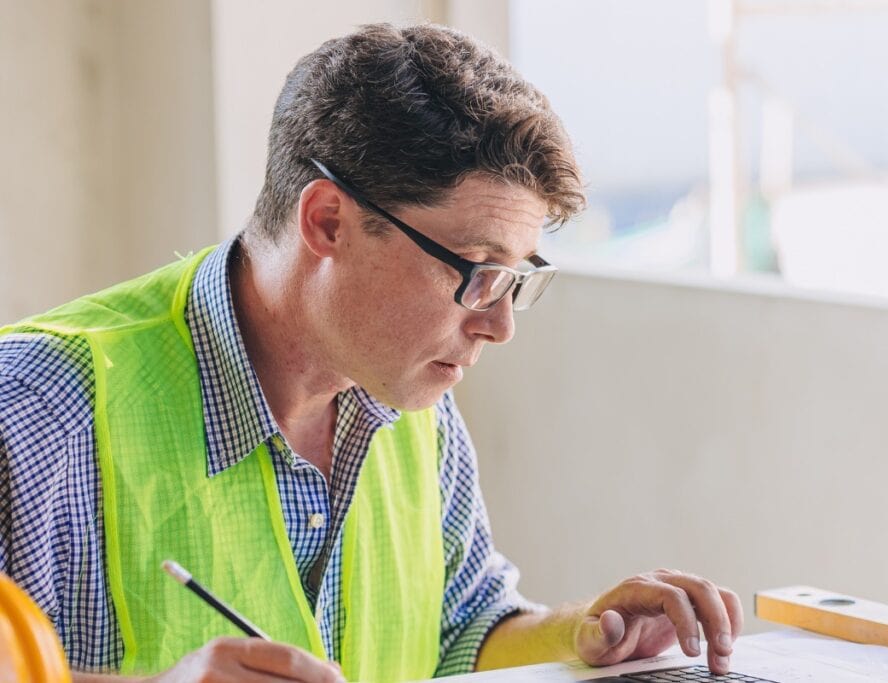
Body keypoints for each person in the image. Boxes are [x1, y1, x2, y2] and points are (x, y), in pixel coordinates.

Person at [0, 22, 742, 683]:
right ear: (328, 221)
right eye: (476, 272)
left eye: (515, 280)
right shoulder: (36, 415)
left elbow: (459, 632)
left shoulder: (413, 399)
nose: (498, 325)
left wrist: (582, 635)